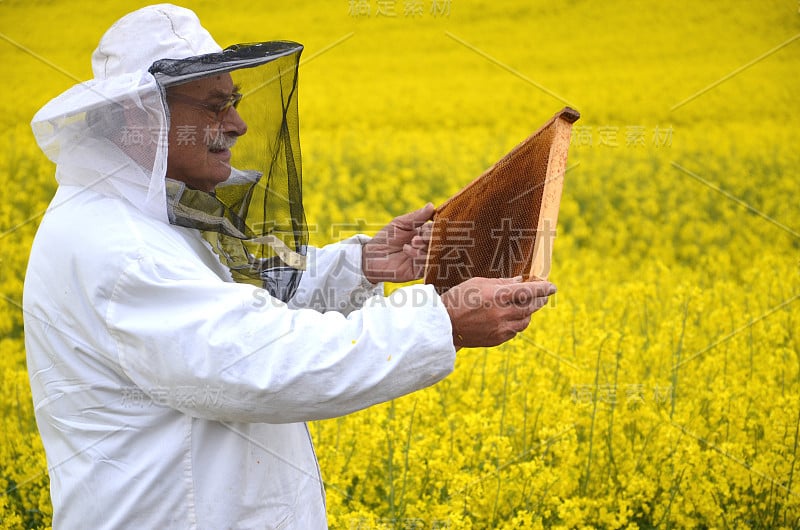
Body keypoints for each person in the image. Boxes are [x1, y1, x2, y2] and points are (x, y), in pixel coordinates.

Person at [23, 4, 556, 528]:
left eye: (232, 101)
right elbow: (261, 362)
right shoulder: (121, 249)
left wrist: (363, 265)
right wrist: (441, 322)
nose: (237, 123)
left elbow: (248, 302)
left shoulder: (142, 217)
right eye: (215, 106)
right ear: (143, 116)